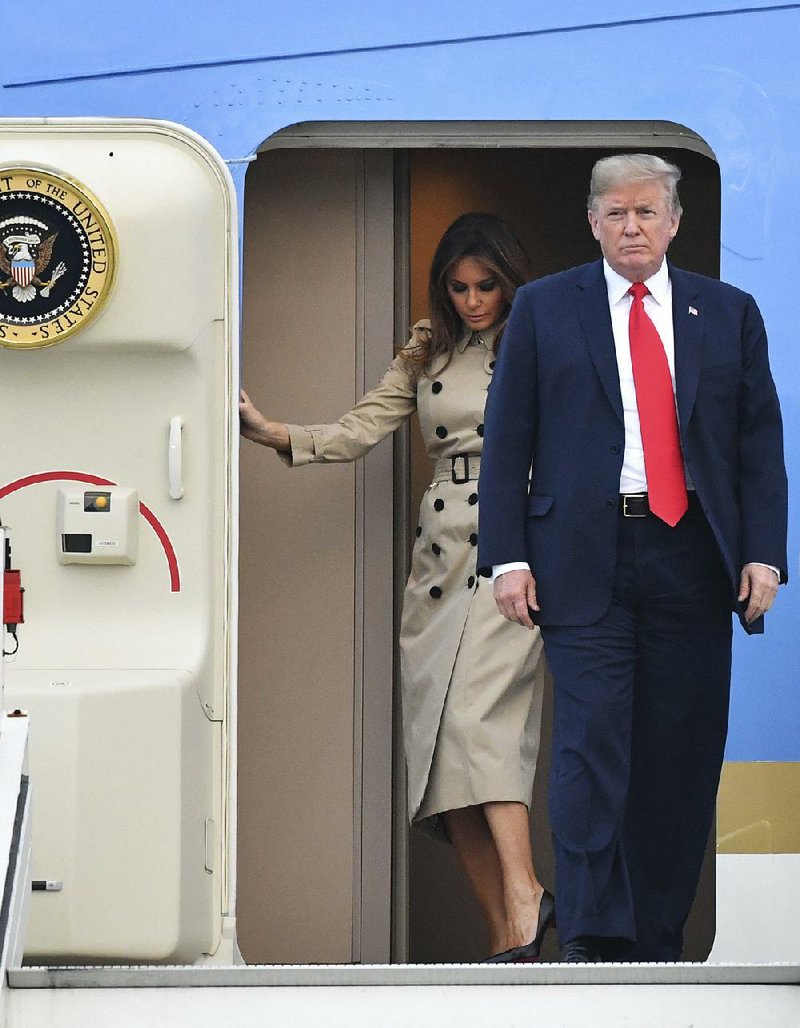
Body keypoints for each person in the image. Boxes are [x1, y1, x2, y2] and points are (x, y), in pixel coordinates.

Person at [477, 155, 788, 963]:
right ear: (592, 222)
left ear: (674, 222)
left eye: (647, 213)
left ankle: (655, 938)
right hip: (584, 556)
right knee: (591, 748)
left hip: (693, 557)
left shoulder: (728, 312)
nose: (632, 228)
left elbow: (759, 444)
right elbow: (508, 438)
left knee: (678, 756)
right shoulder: (546, 308)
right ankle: (592, 932)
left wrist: (764, 555)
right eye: (615, 214)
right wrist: (506, 556)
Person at [240, 213, 554, 962]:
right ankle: (507, 935)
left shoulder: (540, 337)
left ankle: (528, 894)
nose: (475, 300)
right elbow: (363, 426)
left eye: (488, 286)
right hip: (438, 565)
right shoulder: (427, 348)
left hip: (511, 554)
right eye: (460, 287)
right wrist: (273, 431)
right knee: (445, 758)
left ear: (511, 282)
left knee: (482, 724)